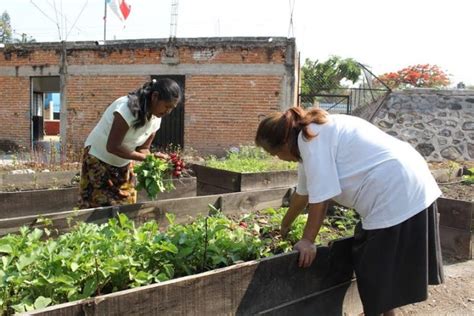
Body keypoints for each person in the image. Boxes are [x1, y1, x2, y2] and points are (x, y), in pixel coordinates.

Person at [255, 106, 444, 316]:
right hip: (411, 178)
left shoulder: (310, 141)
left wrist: (308, 240)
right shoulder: (311, 135)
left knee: (373, 272)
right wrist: (285, 225)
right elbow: (303, 195)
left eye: (274, 154)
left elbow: (321, 198)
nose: (278, 159)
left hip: (394, 188)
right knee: (378, 271)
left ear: (283, 142)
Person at [78, 78, 182, 209]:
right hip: (98, 159)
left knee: (127, 204)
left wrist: (155, 161)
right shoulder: (127, 108)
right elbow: (112, 146)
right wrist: (147, 158)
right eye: (167, 106)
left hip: (123, 163)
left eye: (172, 108)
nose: (168, 112)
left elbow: (144, 148)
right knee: (97, 207)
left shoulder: (156, 118)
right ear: (155, 97)